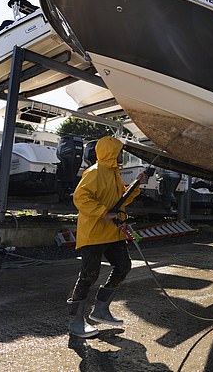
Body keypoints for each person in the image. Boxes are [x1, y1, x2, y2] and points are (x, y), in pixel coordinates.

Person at [67, 136, 148, 338]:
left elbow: (121, 200)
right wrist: (103, 212)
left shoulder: (113, 173)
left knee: (123, 266)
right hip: (94, 233)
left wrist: (137, 184)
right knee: (89, 275)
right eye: (120, 151)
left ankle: (100, 309)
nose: (122, 155)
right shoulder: (94, 172)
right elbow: (80, 197)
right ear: (111, 152)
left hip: (112, 232)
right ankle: (76, 322)